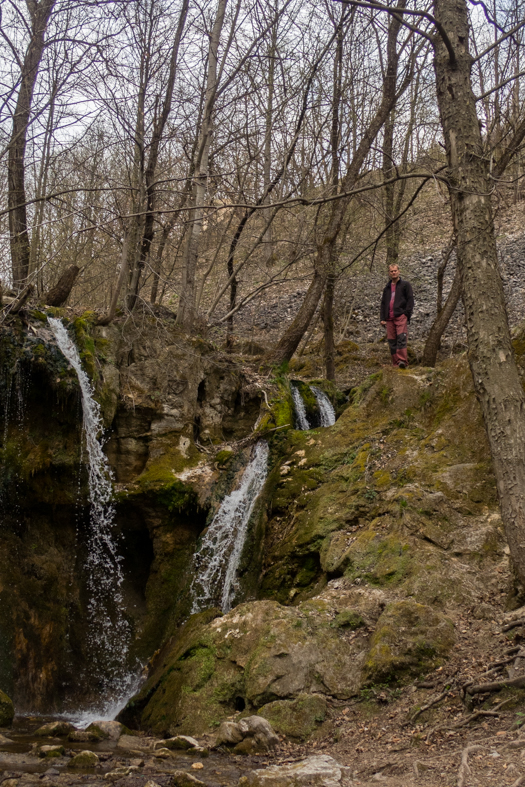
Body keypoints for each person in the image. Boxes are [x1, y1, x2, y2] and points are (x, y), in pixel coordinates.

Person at [380, 264, 414, 368]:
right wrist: (382, 318)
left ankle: (402, 361)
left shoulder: (405, 285)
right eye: (391, 271)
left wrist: (406, 314)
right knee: (391, 340)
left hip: (400, 316)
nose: (393, 273)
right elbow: (383, 303)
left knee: (401, 338)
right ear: (389, 273)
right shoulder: (387, 288)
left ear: (399, 271)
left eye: (395, 271)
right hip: (389, 318)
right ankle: (395, 363)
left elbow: (410, 300)